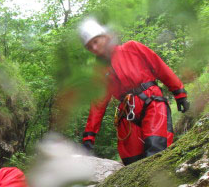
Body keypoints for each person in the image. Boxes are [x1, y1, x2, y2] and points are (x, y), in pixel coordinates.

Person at [78, 18, 191, 165]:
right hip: (127, 113)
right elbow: (98, 103)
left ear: (105, 37)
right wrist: (89, 136)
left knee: (156, 148)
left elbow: (160, 67)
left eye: (95, 42)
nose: (93, 48)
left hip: (152, 102)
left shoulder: (132, 48)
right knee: (132, 161)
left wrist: (179, 93)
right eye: (89, 47)